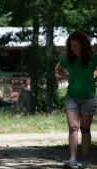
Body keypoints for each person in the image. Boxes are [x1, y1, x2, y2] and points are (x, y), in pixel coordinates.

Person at [55, 30, 97, 169]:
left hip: (89, 97)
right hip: (72, 97)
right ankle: (72, 159)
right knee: (73, 127)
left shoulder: (93, 58)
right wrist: (68, 78)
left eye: (76, 45)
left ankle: (85, 160)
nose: (73, 48)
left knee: (85, 129)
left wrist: (95, 81)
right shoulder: (68, 59)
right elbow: (58, 69)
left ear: (83, 45)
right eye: (71, 45)